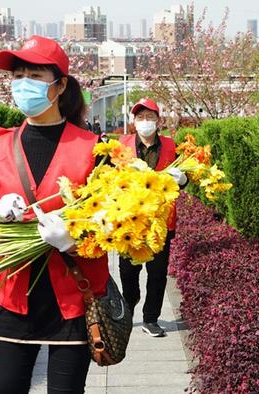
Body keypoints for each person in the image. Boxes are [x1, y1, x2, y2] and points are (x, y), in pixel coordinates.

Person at [0, 35, 108, 394]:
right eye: (17, 75)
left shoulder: (93, 149)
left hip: (73, 301)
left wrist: (73, 240)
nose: (22, 83)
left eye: (34, 75)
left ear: (59, 86)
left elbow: (113, 222)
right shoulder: (1, 145)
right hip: (13, 297)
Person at [118, 98, 188, 337]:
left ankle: (151, 318)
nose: (144, 122)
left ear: (158, 121)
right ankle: (129, 305)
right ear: (133, 121)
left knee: (157, 273)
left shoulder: (170, 145)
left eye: (149, 117)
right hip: (130, 220)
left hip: (161, 221)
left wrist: (183, 179)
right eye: (140, 118)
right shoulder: (122, 145)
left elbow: (185, 180)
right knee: (127, 271)